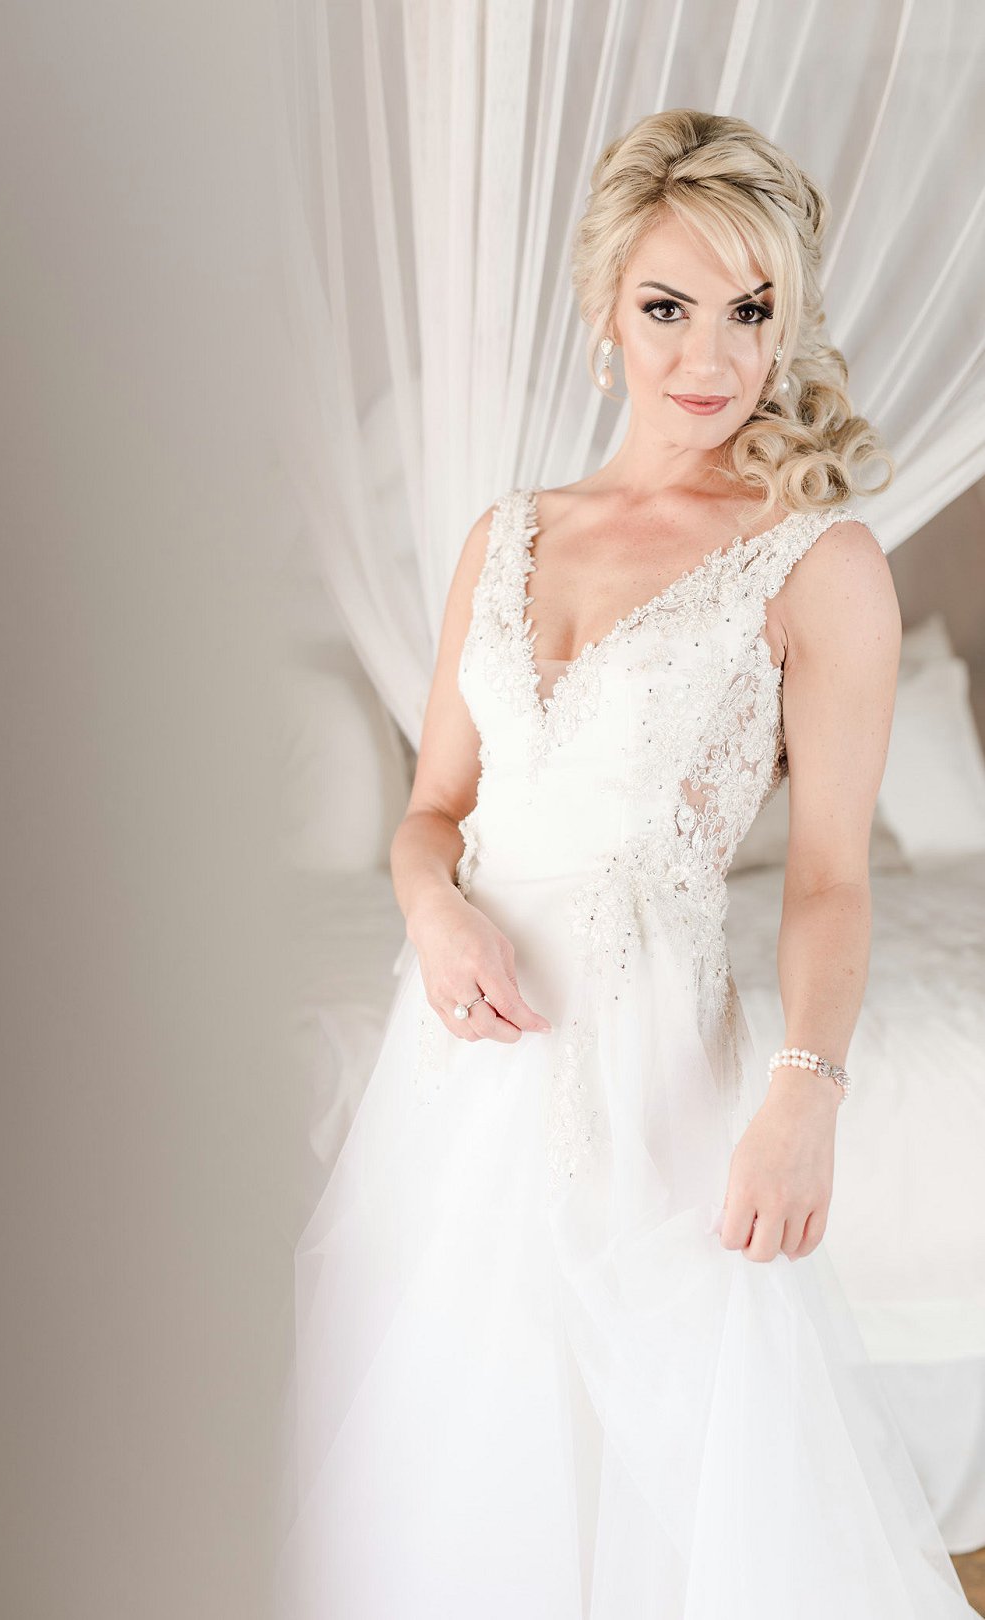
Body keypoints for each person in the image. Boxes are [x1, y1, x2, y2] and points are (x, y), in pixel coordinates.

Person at [272, 109, 975, 1617]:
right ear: (604, 310)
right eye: (667, 307)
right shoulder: (505, 537)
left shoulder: (819, 562)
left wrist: (806, 1093)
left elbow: (830, 880)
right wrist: (432, 909)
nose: (709, 357)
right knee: (456, 1458)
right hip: (460, 1059)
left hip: (657, 1065)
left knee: (672, 1471)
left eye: (750, 311)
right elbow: (434, 809)